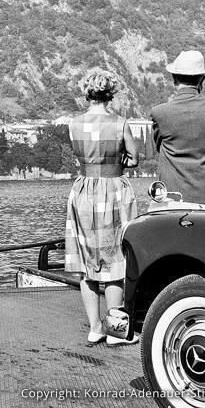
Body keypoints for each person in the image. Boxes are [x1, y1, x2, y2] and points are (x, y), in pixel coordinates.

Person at [65, 72, 140, 346]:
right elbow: (134, 159)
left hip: (84, 191)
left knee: (86, 263)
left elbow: (78, 154)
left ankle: (95, 328)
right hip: (113, 190)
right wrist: (119, 161)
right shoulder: (120, 124)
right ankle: (116, 332)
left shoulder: (74, 124)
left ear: (87, 93)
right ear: (111, 94)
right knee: (115, 260)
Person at [150, 50, 205, 206]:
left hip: (174, 198)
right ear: (202, 79)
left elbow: (159, 146)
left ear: (174, 79)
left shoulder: (160, 113)